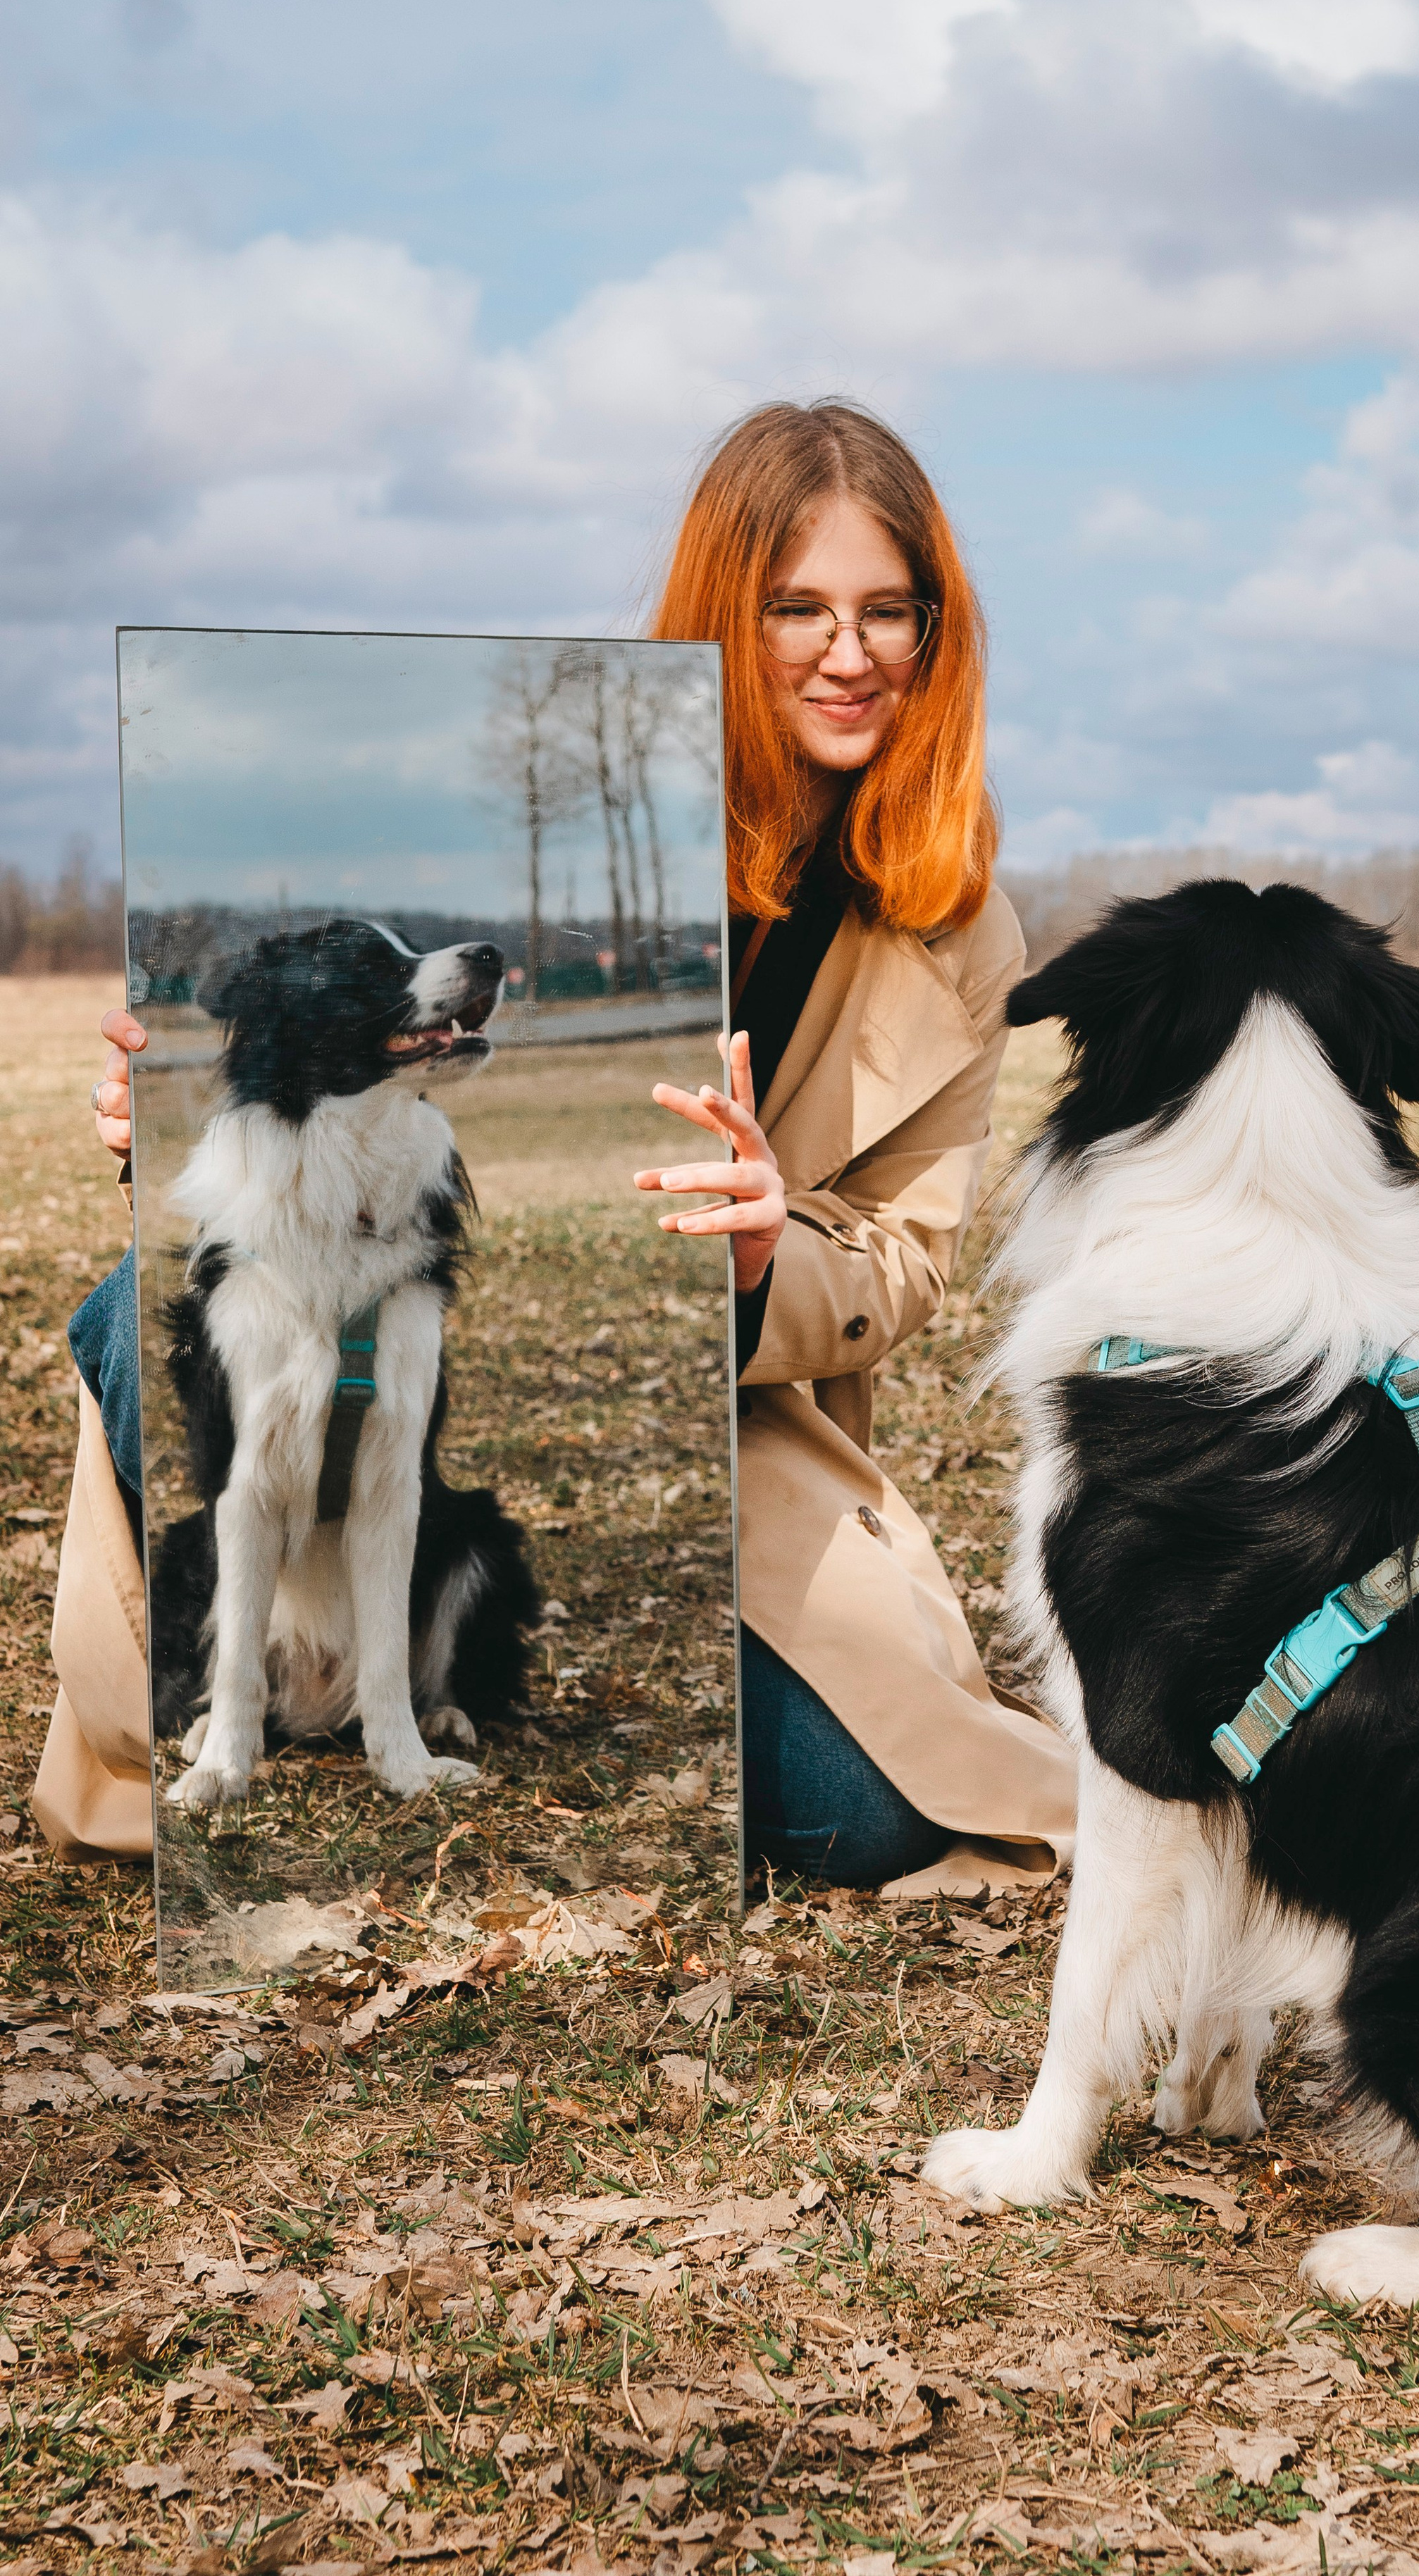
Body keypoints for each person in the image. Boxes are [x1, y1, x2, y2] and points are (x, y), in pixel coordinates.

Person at [45, 399, 1077, 1896]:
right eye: (798, 608)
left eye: (886, 612)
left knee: (857, 1818)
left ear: (934, 630)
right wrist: (173, 1132)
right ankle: (209, 1545)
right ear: (731, 610)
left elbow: (903, 1260)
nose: (848, 654)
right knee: (179, 1307)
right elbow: (328, 1066)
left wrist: (764, 1247)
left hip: (734, 1421)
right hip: (322, 1297)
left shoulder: (957, 928)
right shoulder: (598, 823)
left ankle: (370, 1657)